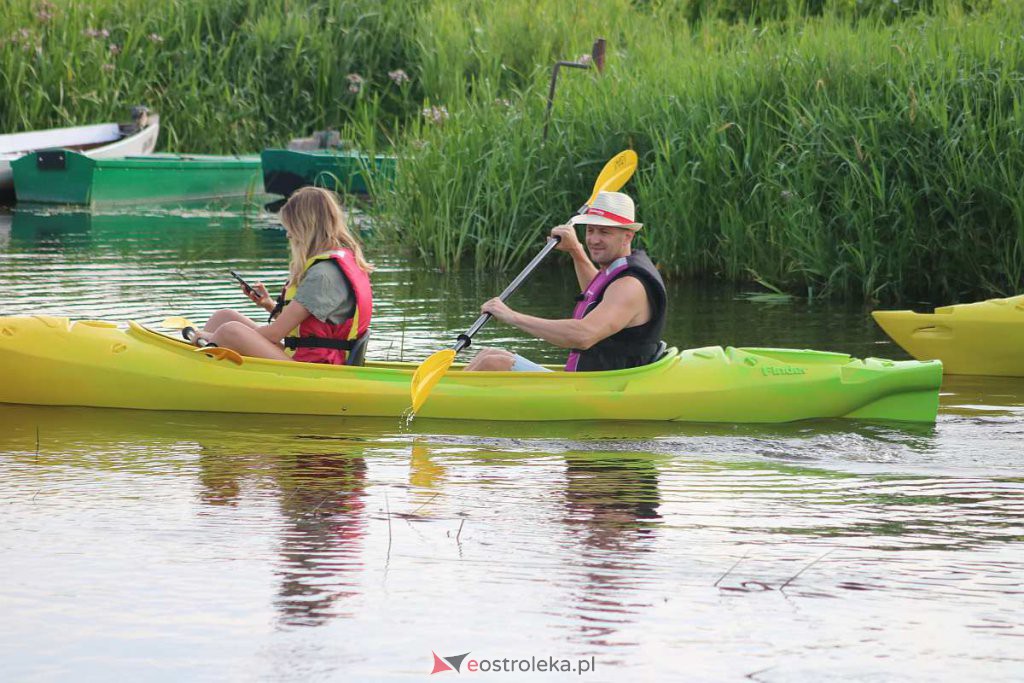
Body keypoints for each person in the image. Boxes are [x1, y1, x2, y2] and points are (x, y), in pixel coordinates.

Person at [464, 191, 666, 373]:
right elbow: (596, 294)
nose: (594, 240)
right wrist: (575, 250)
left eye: (604, 232)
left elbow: (583, 336)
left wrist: (512, 316)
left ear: (627, 236)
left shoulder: (630, 285)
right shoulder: (617, 268)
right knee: (489, 354)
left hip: (602, 391)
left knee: (493, 365)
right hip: (589, 382)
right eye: (590, 230)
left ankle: (438, 404)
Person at [200, 186, 373, 364]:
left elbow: (275, 334)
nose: (289, 235)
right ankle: (209, 360)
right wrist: (269, 305)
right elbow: (305, 328)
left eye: (290, 228)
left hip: (315, 369)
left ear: (305, 228)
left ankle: (203, 356)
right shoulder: (333, 265)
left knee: (230, 331)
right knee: (224, 317)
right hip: (305, 358)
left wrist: (212, 336)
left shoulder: (324, 275)